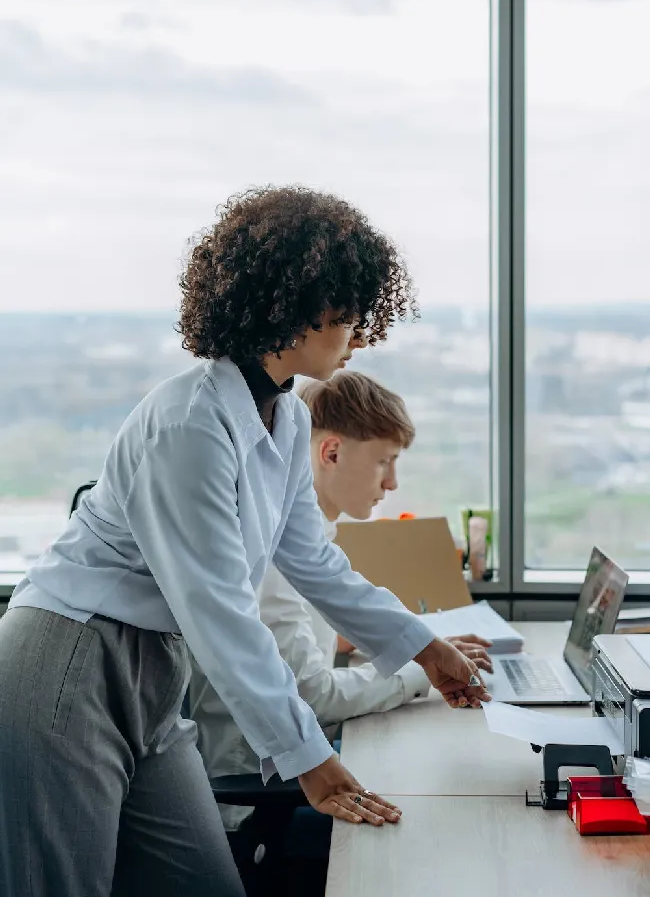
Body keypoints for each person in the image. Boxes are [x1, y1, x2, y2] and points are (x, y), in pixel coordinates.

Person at [0, 186, 489, 897]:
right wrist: (309, 759)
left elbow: (315, 562)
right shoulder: (190, 423)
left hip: (154, 675)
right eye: (346, 313)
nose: (358, 333)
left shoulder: (286, 421)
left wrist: (422, 644)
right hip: (71, 665)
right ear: (294, 309)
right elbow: (222, 613)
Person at [190, 369, 493, 887]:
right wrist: (420, 673)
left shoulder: (308, 539)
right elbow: (316, 695)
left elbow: (304, 632)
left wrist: (412, 644)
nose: (392, 484)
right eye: (384, 462)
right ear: (330, 453)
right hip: (260, 800)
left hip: (290, 772)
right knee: (439, 832)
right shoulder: (279, 557)